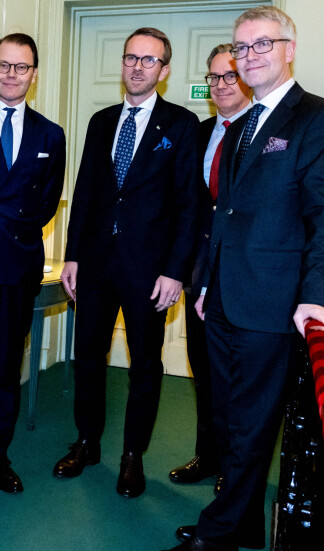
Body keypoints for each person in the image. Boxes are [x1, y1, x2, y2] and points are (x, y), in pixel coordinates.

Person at [156, 6, 324, 551]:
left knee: (251, 425)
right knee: (229, 420)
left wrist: (315, 294)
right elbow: (221, 214)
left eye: (261, 45)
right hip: (223, 297)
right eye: (241, 47)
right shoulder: (243, 123)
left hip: (274, 304)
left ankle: (218, 536)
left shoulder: (314, 120)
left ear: (288, 49)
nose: (249, 56)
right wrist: (204, 282)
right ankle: (246, 521)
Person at [53, 27, 200, 498]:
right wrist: (71, 255)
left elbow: (189, 205)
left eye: (149, 60)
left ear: (164, 70)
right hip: (94, 267)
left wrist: (176, 270)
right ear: (122, 63)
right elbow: (87, 193)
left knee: (144, 368)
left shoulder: (180, 125)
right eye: (131, 58)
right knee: (89, 360)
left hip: (149, 272)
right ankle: (87, 442)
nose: (137, 67)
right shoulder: (100, 121)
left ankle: (132, 454)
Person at [0, 34, 66, 494]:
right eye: (3, 65)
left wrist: (1, 219)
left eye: (21, 67)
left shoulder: (50, 133)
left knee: (5, 365)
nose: (11, 74)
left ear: (34, 74)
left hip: (20, 264)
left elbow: (46, 205)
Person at [168, 44, 251, 492]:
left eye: (230, 76)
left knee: (238, 382)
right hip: (200, 276)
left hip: (245, 281)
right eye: (214, 77)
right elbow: (187, 206)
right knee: (203, 370)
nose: (221, 85)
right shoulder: (199, 133)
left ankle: (234, 471)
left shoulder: (262, 132)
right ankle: (207, 455)